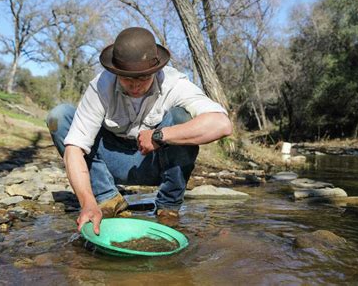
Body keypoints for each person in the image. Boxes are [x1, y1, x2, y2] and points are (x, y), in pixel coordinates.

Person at [46, 27, 232, 234]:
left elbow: (222, 124)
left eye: (143, 78)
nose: (135, 86)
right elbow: (74, 149)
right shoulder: (100, 86)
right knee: (60, 116)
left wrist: (161, 136)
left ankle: (168, 208)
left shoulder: (174, 83)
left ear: (156, 71)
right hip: (111, 162)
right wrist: (87, 202)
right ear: (116, 72)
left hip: (154, 163)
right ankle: (107, 199)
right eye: (127, 78)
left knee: (183, 119)